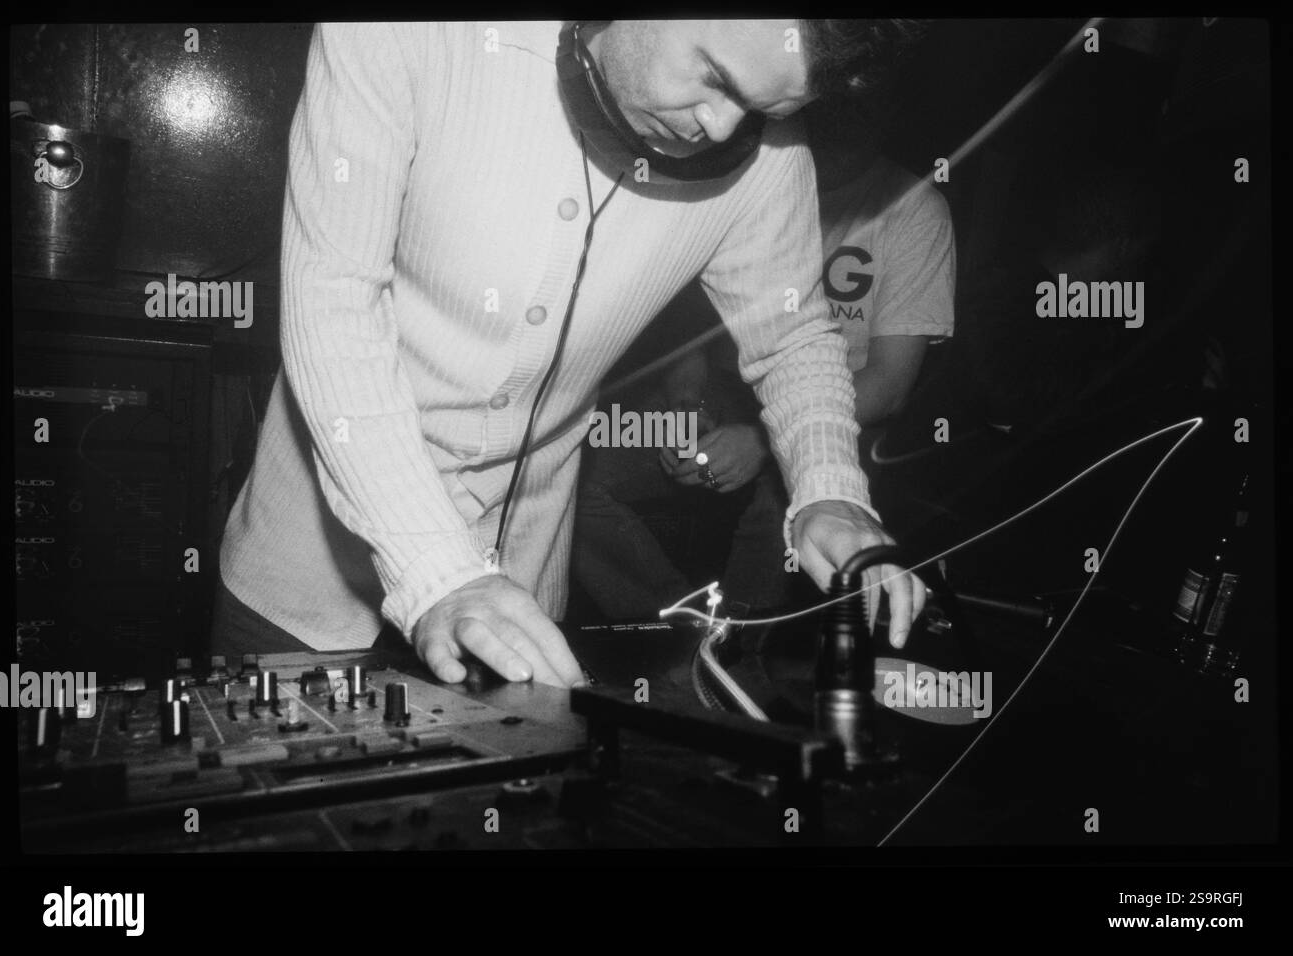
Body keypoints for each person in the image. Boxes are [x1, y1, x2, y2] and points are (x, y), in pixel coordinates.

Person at [214, 19, 929, 689]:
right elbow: (335, 303)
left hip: (517, 603)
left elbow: (795, 337)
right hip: (302, 583)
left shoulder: (768, 154)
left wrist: (830, 489)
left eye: (760, 111)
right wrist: (437, 572)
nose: (721, 127)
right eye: (713, 76)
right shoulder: (403, 32)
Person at [574, 95, 956, 615]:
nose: (842, 123)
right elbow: (691, 323)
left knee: (785, 516)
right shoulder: (752, 177)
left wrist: (760, 440)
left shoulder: (914, 209)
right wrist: (685, 402)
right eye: (830, 108)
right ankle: (678, 633)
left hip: (841, 420)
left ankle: (744, 648)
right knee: (574, 474)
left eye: (861, 106)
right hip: (730, 393)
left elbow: (888, 385)